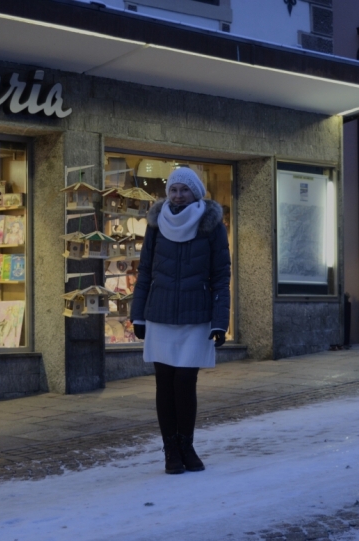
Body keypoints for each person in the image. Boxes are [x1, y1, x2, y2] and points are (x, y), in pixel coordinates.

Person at [130, 166, 231, 475]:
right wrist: (138, 314)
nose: (177, 195)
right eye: (173, 189)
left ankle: (187, 445)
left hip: (195, 316)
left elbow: (221, 275)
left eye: (184, 190)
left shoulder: (212, 224)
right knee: (164, 384)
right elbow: (145, 270)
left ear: (195, 192)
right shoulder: (156, 224)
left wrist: (219, 321)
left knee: (185, 382)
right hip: (160, 314)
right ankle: (171, 451)